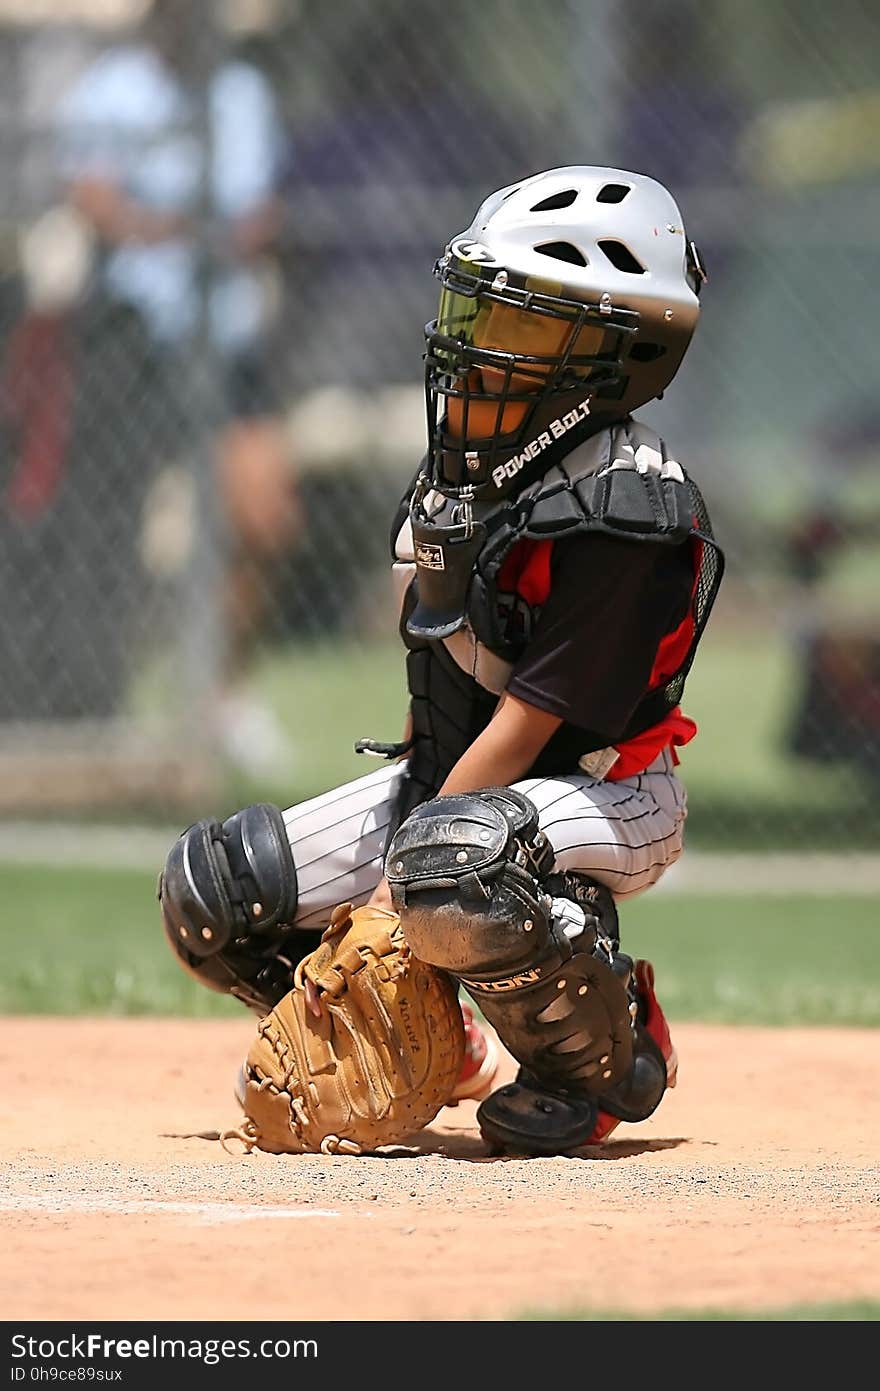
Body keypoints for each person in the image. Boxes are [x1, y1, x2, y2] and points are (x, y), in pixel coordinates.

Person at [159, 166, 724, 1154]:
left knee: (447, 858)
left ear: (611, 350)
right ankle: (438, 1030)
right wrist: (401, 865)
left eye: (524, 326)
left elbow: (530, 726)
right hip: (463, 781)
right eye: (481, 311)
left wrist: (389, 888)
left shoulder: (626, 509)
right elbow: (444, 686)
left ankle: (609, 1051)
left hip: (614, 790)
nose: (479, 343)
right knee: (214, 892)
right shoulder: (470, 465)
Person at [54, 0, 301, 771]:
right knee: (103, 536)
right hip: (133, 336)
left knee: (266, 516)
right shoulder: (110, 89)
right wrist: (187, 230)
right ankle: (95, 698)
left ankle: (221, 694)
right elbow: (94, 201)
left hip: (224, 339)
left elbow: (258, 214)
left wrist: (189, 228)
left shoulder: (241, 92)